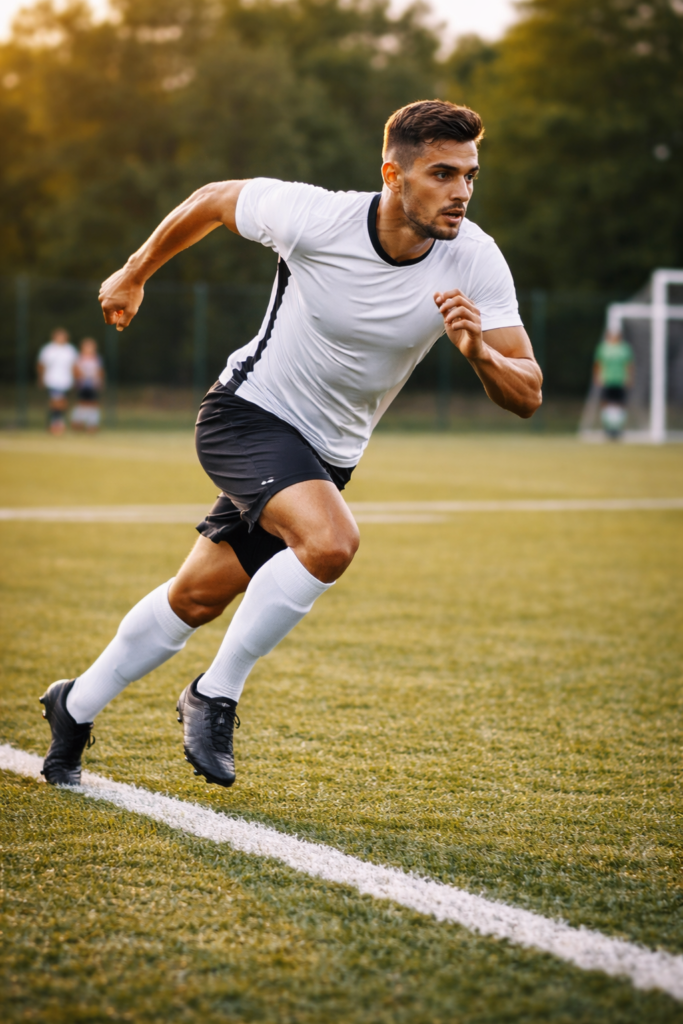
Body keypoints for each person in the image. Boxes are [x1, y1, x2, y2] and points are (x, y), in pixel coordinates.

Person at [39, 99, 543, 787]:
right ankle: (213, 694)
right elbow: (215, 200)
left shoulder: (474, 258)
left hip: (324, 457)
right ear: (392, 175)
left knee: (195, 597)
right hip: (247, 413)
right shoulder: (317, 217)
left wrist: (480, 354)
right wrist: (135, 271)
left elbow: (529, 392)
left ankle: (75, 704)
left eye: (470, 176)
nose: (460, 192)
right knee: (331, 543)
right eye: (441, 173)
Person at [36, 328, 79, 435]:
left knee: (62, 403)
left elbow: (75, 366)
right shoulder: (48, 349)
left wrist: (76, 379)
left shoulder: (70, 350)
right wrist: (41, 378)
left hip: (66, 381)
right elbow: (41, 365)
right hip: (52, 380)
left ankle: (56, 422)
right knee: (56, 402)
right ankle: (56, 424)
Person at [593, 330, 633, 440]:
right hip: (607, 380)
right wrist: (597, 377)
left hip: (620, 380)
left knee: (621, 404)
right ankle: (608, 428)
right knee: (606, 404)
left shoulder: (624, 349)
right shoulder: (603, 348)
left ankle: (618, 429)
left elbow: (628, 364)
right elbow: (598, 363)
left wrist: (629, 378)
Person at [71, 338, 105, 432]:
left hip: (93, 384)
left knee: (93, 404)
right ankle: (78, 422)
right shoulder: (79, 358)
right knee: (82, 404)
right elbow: (76, 371)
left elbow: (100, 371)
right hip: (83, 384)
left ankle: (92, 424)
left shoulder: (97, 358)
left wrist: (100, 381)